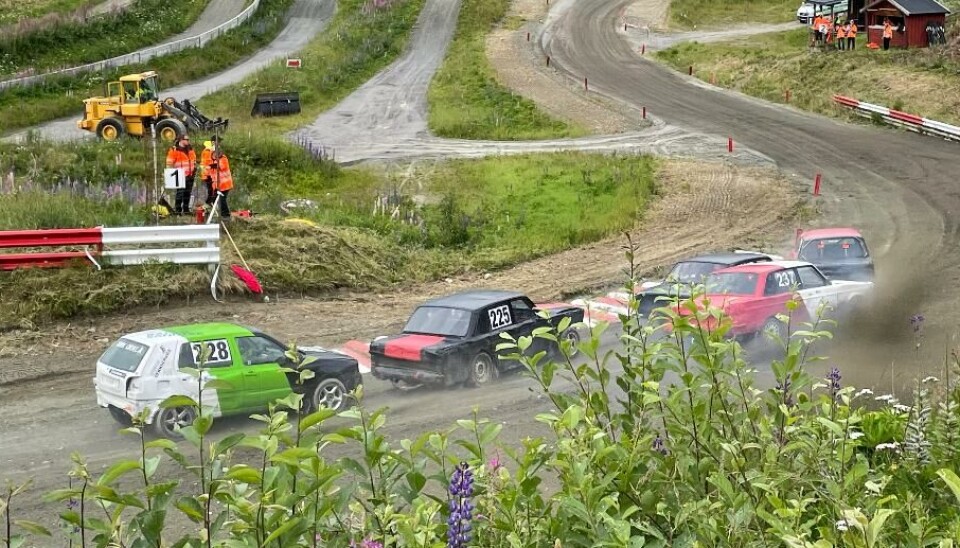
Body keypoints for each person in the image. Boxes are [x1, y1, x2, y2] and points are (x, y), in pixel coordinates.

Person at [165, 135, 197, 215]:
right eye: (186, 139)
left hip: (190, 174)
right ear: (181, 140)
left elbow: (194, 160)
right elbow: (169, 163)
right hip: (180, 175)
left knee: (187, 193)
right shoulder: (174, 150)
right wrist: (171, 175)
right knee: (180, 193)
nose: (188, 141)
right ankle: (178, 210)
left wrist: (194, 169)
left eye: (188, 139)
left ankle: (186, 210)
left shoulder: (190, 149)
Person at [211, 147, 233, 220]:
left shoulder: (223, 159)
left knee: (222, 199)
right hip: (219, 185)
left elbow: (222, 167)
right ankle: (222, 214)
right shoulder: (213, 161)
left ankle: (226, 215)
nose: (214, 155)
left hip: (225, 184)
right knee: (218, 199)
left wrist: (215, 164)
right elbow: (213, 175)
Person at [200, 140, 216, 209]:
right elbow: (210, 163)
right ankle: (209, 203)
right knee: (212, 190)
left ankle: (209, 204)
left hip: (208, 174)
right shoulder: (208, 152)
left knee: (211, 190)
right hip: (208, 174)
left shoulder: (208, 151)